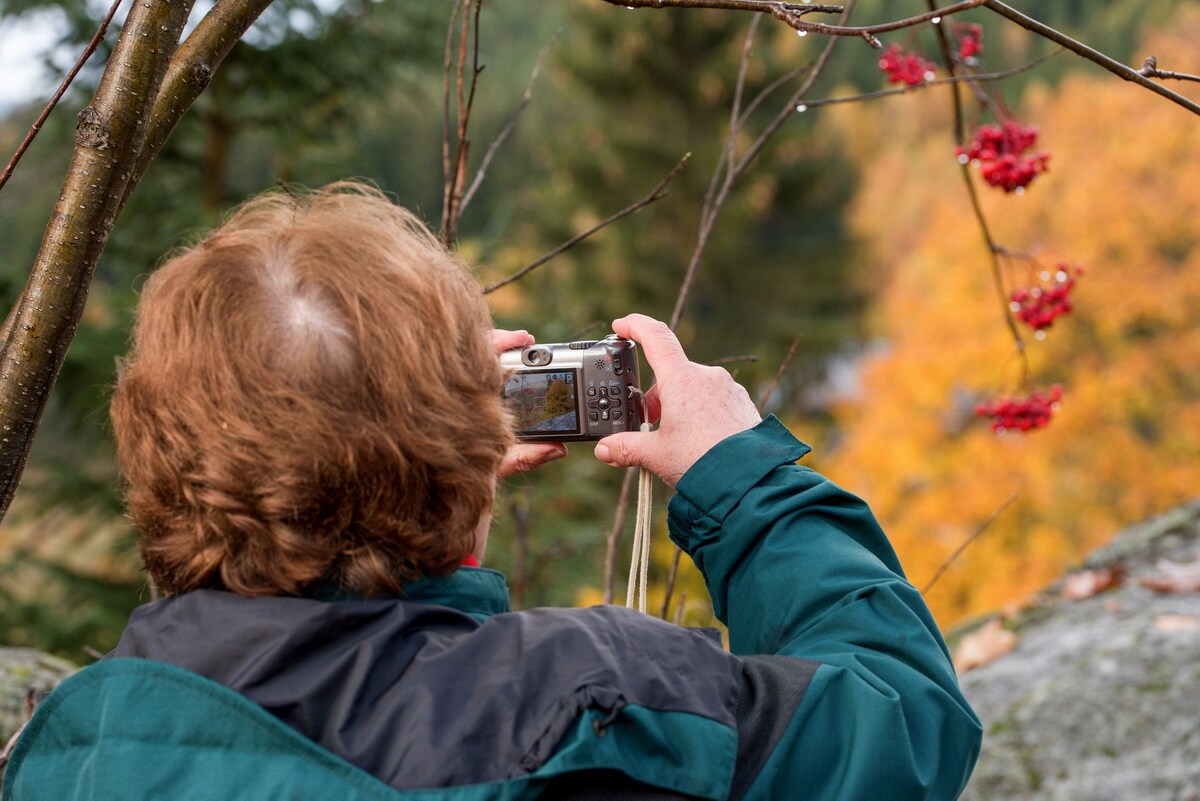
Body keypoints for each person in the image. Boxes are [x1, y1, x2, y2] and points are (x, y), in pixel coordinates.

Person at [1, 183, 980, 801]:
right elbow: (907, 732)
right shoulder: (579, 703)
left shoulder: (73, 743)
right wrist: (742, 477)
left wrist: (421, 461)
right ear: (463, 447)